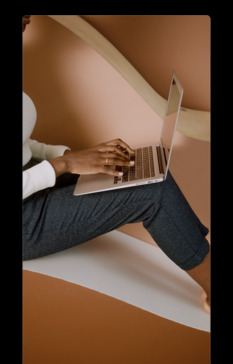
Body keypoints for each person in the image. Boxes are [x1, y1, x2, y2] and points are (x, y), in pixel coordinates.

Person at [22, 16, 210, 313]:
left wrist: (74, 155)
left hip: (33, 180)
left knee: (138, 168)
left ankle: (196, 248)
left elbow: (23, 142)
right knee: (153, 194)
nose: (28, 19)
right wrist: (65, 163)